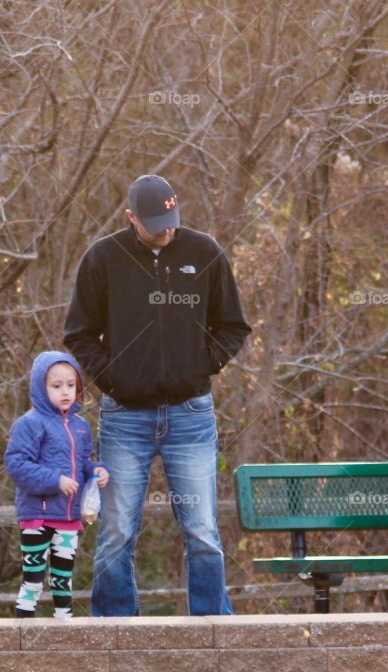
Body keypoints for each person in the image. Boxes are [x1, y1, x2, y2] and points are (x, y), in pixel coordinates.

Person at [63, 174, 251, 616]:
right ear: (131, 218)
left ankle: (212, 629)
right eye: (154, 223)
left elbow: (233, 326)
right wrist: (115, 379)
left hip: (191, 414)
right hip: (125, 417)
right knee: (116, 531)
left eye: (171, 219)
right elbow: (79, 333)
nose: (166, 229)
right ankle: (114, 628)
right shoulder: (102, 259)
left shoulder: (203, 252)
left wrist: (199, 366)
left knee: (202, 529)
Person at [4, 351, 109, 619]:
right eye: (56, 386)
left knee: (63, 579)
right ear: (41, 387)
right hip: (37, 515)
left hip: (68, 516)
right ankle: (23, 629)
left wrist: (97, 471)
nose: (65, 392)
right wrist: (55, 480)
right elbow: (17, 465)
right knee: (34, 578)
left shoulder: (81, 427)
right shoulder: (29, 424)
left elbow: (82, 462)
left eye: (71, 385)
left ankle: (65, 629)